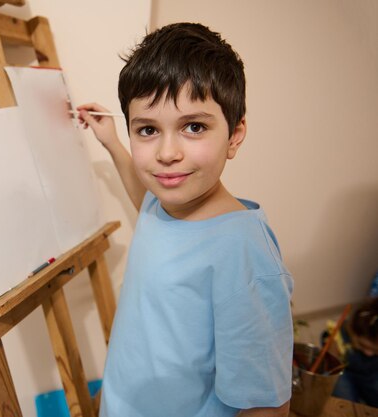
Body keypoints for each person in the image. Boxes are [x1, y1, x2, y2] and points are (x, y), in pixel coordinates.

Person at [76, 23, 294, 417]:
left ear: (235, 135)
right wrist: (111, 141)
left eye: (194, 127)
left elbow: (265, 405)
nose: (167, 153)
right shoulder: (161, 203)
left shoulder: (243, 254)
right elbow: (142, 196)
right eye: (147, 130)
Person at [325, 298, 378, 406]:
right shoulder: (339, 335)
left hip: (372, 374)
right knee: (345, 402)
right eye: (362, 345)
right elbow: (329, 369)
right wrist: (332, 354)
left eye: (376, 350)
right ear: (352, 331)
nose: (369, 353)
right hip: (345, 373)